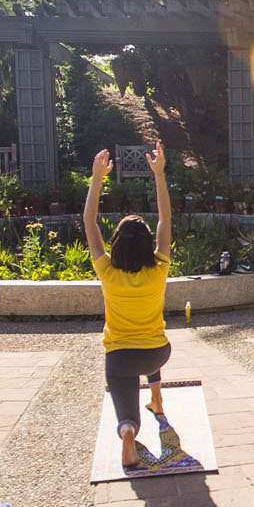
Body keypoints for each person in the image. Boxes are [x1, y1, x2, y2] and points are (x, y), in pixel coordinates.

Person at [86, 143, 173, 469]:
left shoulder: (107, 271)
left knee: (126, 412)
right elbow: (165, 217)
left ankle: (127, 434)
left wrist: (97, 179)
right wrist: (159, 174)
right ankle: (156, 396)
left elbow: (89, 221)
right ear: (149, 243)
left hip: (120, 356)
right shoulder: (159, 267)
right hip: (157, 352)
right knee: (150, 337)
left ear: (116, 245)